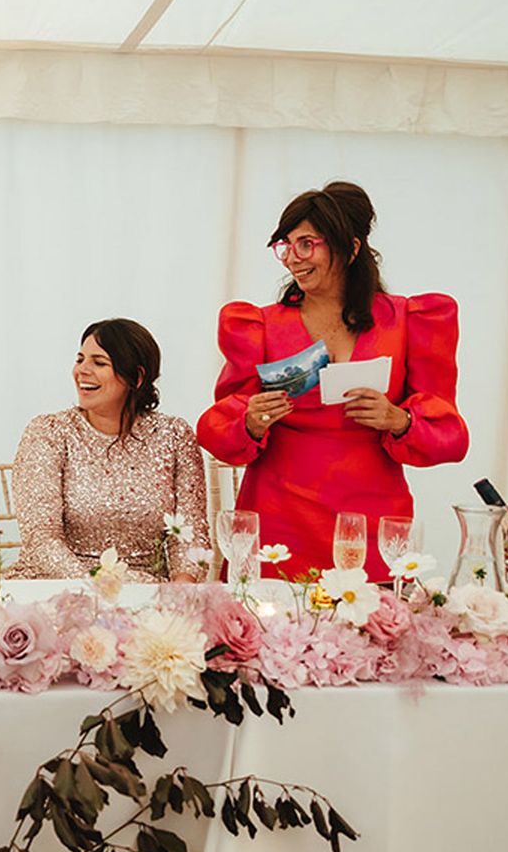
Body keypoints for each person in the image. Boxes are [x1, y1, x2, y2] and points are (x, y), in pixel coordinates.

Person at [197, 182, 469, 581]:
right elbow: (215, 430)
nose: (292, 258)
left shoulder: (411, 321)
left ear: (351, 248)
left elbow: (451, 435)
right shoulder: (259, 325)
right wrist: (250, 420)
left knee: (369, 634)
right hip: (278, 520)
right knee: (270, 634)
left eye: (306, 243)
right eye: (286, 245)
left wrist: (400, 420)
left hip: (373, 525)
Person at [13, 318, 210, 581]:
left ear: (137, 377)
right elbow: (41, 542)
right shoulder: (49, 432)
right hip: (62, 587)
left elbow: (190, 535)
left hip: (149, 594)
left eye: (99, 362)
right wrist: (105, 587)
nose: (82, 370)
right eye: (80, 359)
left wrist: (179, 592)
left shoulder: (174, 435)